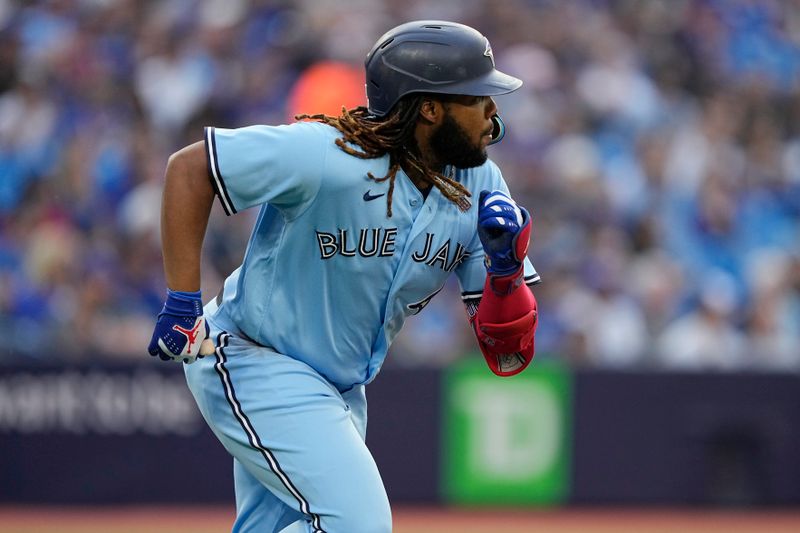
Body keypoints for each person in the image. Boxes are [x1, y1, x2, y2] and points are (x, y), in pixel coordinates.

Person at [147, 20, 540, 533]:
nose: (493, 111)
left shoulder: (481, 183)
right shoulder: (326, 153)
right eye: (478, 97)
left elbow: (507, 354)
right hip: (255, 359)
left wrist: (505, 273)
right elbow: (189, 170)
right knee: (358, 525)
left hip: (339, 390)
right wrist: (182, 300)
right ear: (429, 107)